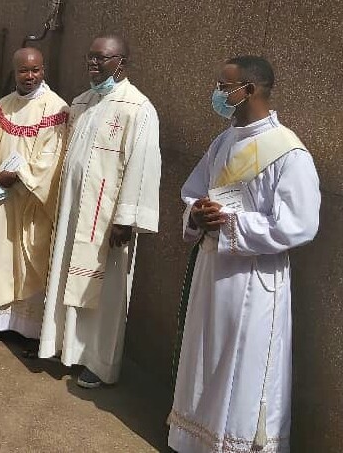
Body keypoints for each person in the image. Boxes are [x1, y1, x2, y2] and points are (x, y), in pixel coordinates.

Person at [168, 56, 320, 453]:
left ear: (249, 90)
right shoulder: (224, 140)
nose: (218, 93)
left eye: (224, 86)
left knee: (245, 365)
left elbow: (300, 223)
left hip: (253, 279)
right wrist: (196, 212)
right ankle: (197, 440)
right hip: (212, 267)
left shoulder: (288, 152)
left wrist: (233, 224)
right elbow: (194, 189)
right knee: (205, 357)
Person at [38, 34, 160, 388]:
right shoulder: (84, 101)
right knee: (67, 276)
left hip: (107, 219)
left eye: (102, 58)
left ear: (122, 62)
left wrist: (126, 219)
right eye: (90, 57)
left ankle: (100, 363)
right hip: (76, 209)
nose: (93, 63)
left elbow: (143, 166)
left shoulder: (138, 109)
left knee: (105, 294)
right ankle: (69, 350)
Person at [0, 47, 69, 343]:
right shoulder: (4, 106)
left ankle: (29, 327)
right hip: (4, 199)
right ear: (14, 72)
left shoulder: (56, 109)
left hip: (33, 202)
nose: (30, 76)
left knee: (31, 261)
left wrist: (20, 176)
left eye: (36, 70)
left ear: (44, 70)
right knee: (0, 259)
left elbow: (53, 157)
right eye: (23, 71)